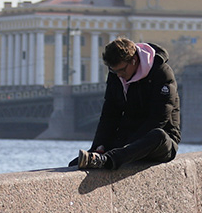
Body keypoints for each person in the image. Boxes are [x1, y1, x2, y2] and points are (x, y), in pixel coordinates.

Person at [72, 38, 180, 170]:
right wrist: (98, 146)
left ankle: (107, 160)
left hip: (159, 143)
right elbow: (109, 114)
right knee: (74, 165)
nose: (119, 75)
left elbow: (158, 119)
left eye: (122, 70)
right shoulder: (116, 74)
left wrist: (125, 146)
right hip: (126, 142)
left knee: (158, 135)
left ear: (133, 60)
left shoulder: (161, 73)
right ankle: (103, 157)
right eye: (114, 71)